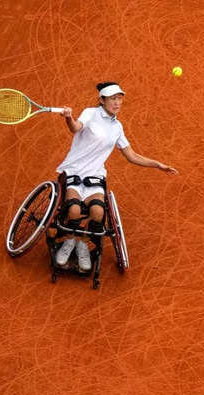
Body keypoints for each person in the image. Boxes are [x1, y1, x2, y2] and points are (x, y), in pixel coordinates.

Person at [54, 82, 178, 271]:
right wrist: (69, 118)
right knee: (74, 211)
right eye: (113, 98)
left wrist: (158, 165)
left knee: (97, 212)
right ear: (102, 100)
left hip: (94, 175)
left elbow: (131, 156)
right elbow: (76, 128)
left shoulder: (117, 127)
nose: (117, 102)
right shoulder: (90, 113)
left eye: (119, 98)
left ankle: (82, 246)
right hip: (73, 171)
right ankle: (69, 242)